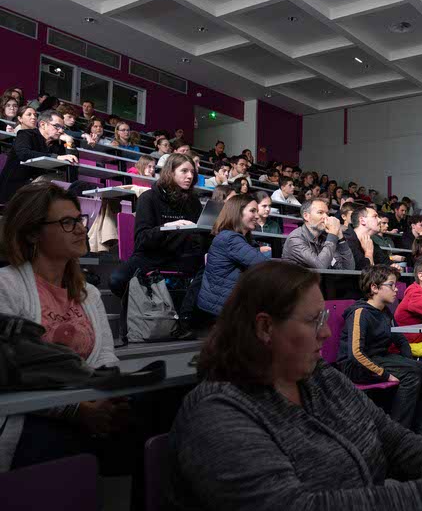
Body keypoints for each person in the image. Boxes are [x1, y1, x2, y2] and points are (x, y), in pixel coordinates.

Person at [168, 260, 422, 511]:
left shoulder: (320, 378)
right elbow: (291, 506)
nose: (326, 331)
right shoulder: (218, 412)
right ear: (264, 328)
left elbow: (388, 435)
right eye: (313, 320)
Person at [0, 183, 120, 471]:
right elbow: (12, 375)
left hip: (87, 412)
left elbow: (105, 358)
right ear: (32, 233)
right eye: (67, 222)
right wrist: (75, 410)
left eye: (79, 219)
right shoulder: (6, 285)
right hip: (28, 422)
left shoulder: (88, 293)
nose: (81, 229)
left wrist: (108, 400)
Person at [337, 265, 422, 432]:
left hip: (379, 358)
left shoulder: (385, 312)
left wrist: (408, 361)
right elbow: (356, 353)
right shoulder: (361, 313)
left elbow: (400, 339)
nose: (396, 290)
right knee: (413, 376)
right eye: (391, 285)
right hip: (356, 366)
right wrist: (385, 375)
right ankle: (397, 432)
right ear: (374, 287)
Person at [109, 154, 205, 297]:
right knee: (117, 280)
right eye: (184, 171)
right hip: (151, 256)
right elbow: (142, 239)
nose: (190, 176)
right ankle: (142, 309)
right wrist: (167, 227)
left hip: (181, 257)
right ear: (170, 172)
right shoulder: (148, 198)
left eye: (192, 172)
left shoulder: (193, 202)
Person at [197, 195, 272, 317]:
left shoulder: (232, 237)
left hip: (220, 303)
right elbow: (263, 264)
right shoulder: (230, 238)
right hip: (220, 308)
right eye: (253, 211)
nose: (257, 216)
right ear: (237, 213)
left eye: (257, 211)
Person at [0, 109, 78, 205]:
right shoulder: (26, 134)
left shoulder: (58, 144)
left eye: (62, 128)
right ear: (42, 125)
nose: (61, 131)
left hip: (38, 192)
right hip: (14, 189)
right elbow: (24, 154)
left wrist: (69, 142)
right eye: (57, 126)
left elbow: (72, 165)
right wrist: (56, 158)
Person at [282, 198, 353, 270]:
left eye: (327, 213)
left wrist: (340, 237)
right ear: (306, 216)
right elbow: (320, 266)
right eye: (320, 212)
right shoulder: (295, 238)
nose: (326, 217)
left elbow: (348, 268)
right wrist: (332, 234)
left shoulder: (325, 237)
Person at [345, 204, 390, 270]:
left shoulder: (371, 242)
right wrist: (368, 253)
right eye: (375, 216)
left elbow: (385, 262)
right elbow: (362, 272)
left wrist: (393, 266)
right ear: (362, 221)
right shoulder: (347, 240)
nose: (380, 220)